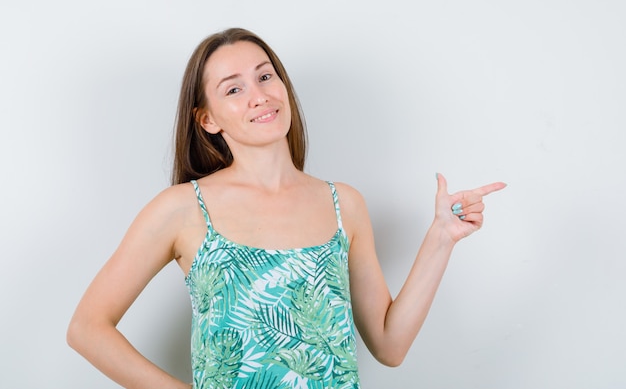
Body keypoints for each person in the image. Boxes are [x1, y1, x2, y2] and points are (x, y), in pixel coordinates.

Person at [67, 27, 506, 389]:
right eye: (233, 88)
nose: (258, 96)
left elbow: (390, 346)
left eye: (265, 76)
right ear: (208, 119)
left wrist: (441, 238)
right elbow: (87, 327)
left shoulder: (344, 205)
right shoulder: (182, 209)